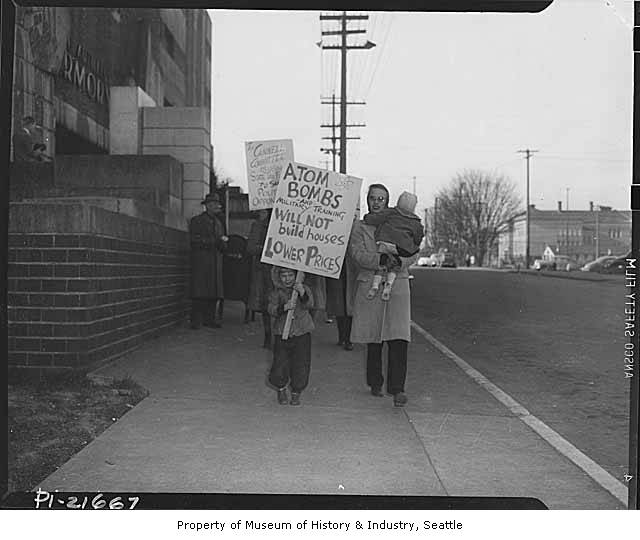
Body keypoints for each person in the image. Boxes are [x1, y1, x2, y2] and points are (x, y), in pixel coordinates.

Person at [349, 184, 417, 407]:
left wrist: (400, 261)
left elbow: (414, 249)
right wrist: (379, 260)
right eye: (373, 198)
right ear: (367, 200)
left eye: (381, 199)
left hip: (397, 285)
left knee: (398, 337)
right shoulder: (359, 227)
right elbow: (357, 254)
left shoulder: (399, 221)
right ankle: (375, 381)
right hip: (371, 284)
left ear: (387, 202)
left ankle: (398, 389)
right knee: (374, 336)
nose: (376, 202)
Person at [363, 191, 423, 301]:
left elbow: (376, 218)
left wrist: (367, 218)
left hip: (385, 243)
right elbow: (418, 238)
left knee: (383, 261)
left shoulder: (391, 213)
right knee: (394, 264)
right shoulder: (416, 222)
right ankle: (389, 284)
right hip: (403, 249)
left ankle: (375, 285)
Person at [267, 267, 315, 406]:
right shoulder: (276, 292)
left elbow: (310, 304)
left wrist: (302, 292)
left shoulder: (304, 288)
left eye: (290, 275)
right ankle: (281, 388)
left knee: (301, 364)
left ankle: (296, 392)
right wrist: (283, 307)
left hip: (301, 333)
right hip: (282, 333)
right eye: (284, 275)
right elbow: (271, 309)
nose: (287, 279)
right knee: (280, 363)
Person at [189, 192, 228, 329]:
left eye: (217, 204)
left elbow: (223, 241)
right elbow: (194, 240)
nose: (217, 206)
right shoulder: (197, 221)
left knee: (214, 292)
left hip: (215, 261)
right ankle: (196, 320)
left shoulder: (219, 223)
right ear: (207, 206)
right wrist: (214, 241)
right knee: (199, 291)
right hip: (202, 260)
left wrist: (224, 243)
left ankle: (209, 319)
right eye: (214, 204)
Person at [247, 209, 274, 348]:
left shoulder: (290, 224)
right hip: (265, 271)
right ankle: (269, 335)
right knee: (267, 304)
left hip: (285, 271)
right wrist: (270, 248)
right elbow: (250, 248)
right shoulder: (258, 226)